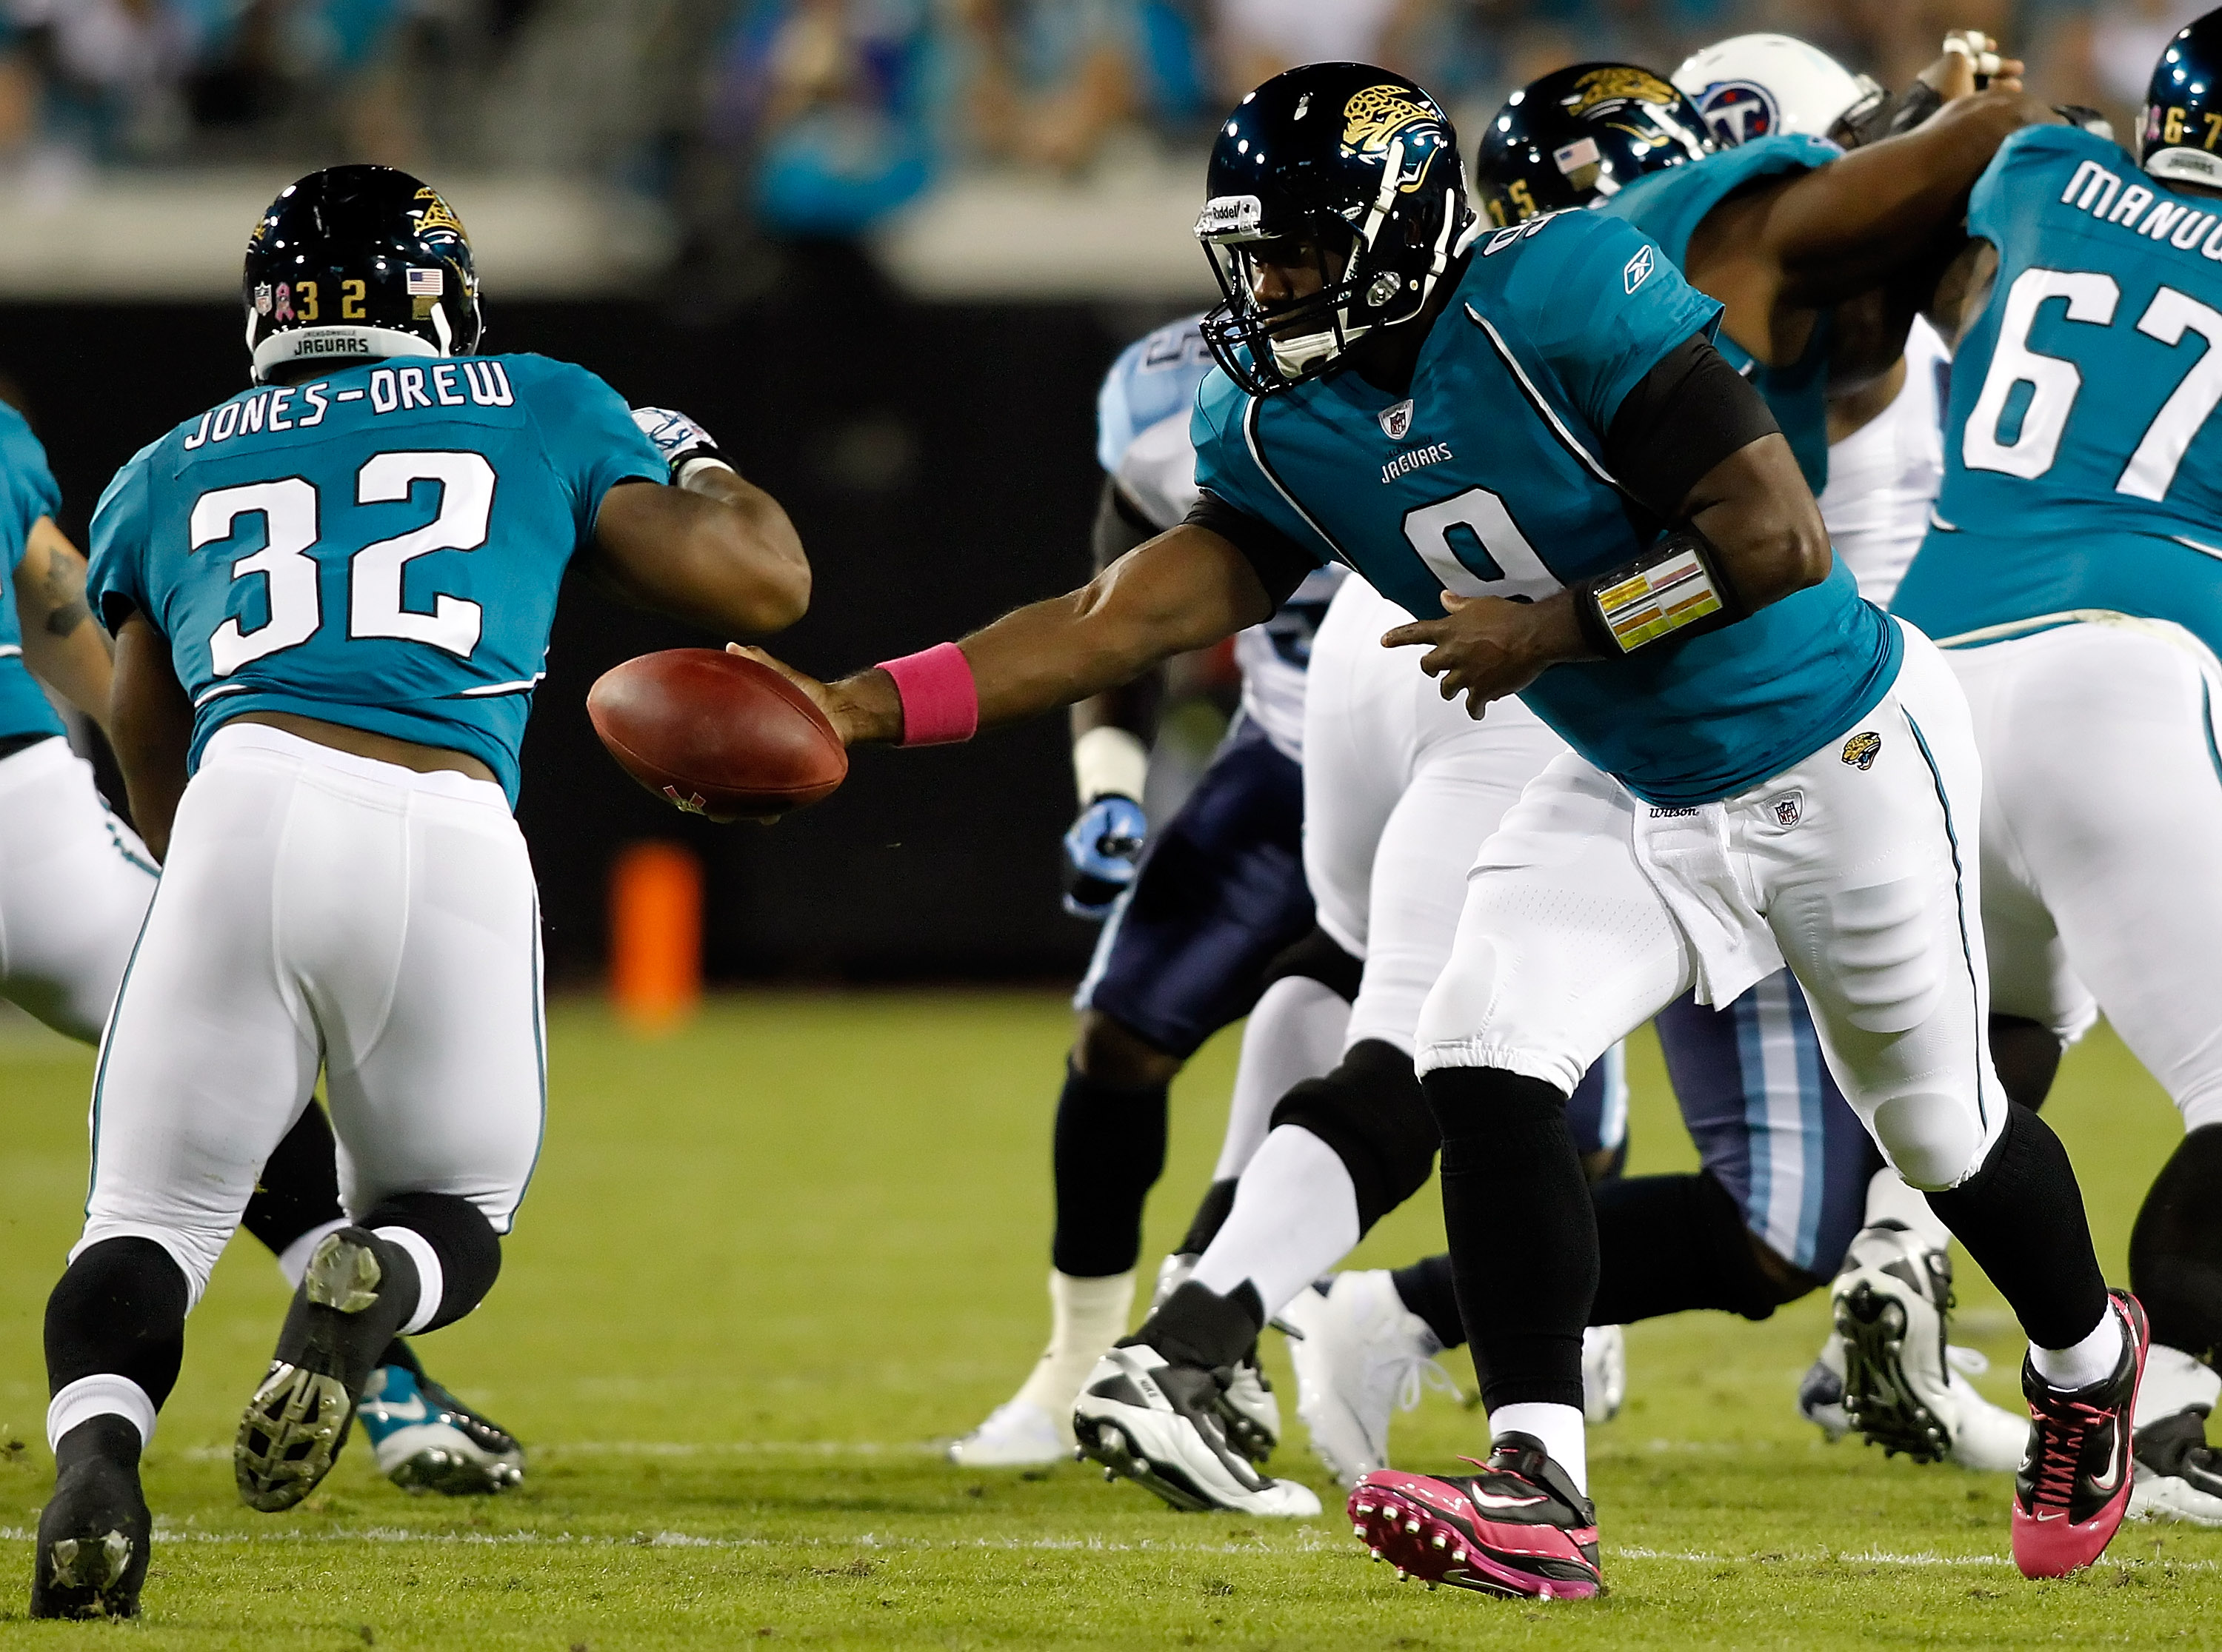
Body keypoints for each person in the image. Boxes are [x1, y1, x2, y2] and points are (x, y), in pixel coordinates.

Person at [744, 61, 2138, 1595]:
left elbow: (1773, 539)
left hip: (1835, 747)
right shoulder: (1279, 419)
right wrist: (859, 708)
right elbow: (1110, 617)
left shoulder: (1564, 284)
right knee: (1478, 1044)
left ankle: (2087, 1363)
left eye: (1294, 250)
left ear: (1402, 225)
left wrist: (1559, 629)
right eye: (1251, 250)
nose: (1263, 284)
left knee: (1936, 1126)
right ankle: (1541, 1480)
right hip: (1631, 781)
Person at [29, 163, 813, 1621]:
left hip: (240, 804)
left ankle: (97, 1472)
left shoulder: (165, 462)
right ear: (439, 296)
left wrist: (210, 887)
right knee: (453, 1209)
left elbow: (142, 738)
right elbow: (764, 588)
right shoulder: (539, 397)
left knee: (144, 1214)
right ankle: (372, 1291)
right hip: (444, 821)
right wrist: (690, 456)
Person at [1278, 33, 2038, 1492]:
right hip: (1711, 737)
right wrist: (1986, 111)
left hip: (1788, 729)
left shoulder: (1650, 281)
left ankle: (1923, 1291)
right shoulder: (1736, 285)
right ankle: (1496, 1391)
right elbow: (1764, 533)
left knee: (1826, 1161)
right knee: (1537, 1068)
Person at [0, 389, 527, 1501]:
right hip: (23, 820)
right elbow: (59, 609)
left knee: (175, 1148)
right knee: (229, 1094)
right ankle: (389, 1386)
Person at [1890, 2, 2222, 1528]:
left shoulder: (2034, 171)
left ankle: (1927, 1295)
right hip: (2119, 678)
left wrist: (1956, 108)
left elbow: (1903, 184)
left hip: (1929, 682)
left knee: (2002, 1051)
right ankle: (2176, 1394)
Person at [947, 312, 1341, 1468]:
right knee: (1120, 1040)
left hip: (1476, 759)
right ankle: (1081, 1363)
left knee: (1524, 1093)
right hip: (1288, 759)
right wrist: (1109, 787)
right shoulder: (1167, 430)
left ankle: (1547, 1334)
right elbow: (1112, 632)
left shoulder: (1436, 388)